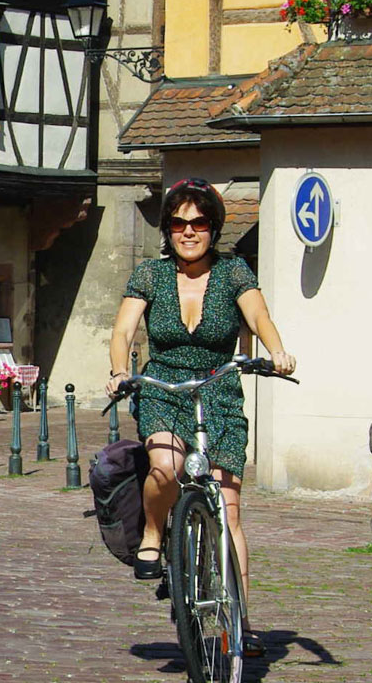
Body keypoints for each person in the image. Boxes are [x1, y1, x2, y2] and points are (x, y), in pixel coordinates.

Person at [107, 177, 295, 658]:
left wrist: (276, 351)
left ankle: (241, 623)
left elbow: (259, 317)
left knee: (229, 511)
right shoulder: (150, 274)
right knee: (165, 467)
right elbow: (124, 328)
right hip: (165, 388)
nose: (188, 232)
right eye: (178, 223)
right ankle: (153, 531)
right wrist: (118, 370)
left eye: (199, 223)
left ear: (213, 227)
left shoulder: (234, 272)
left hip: (220, 391)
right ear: (168, 229)